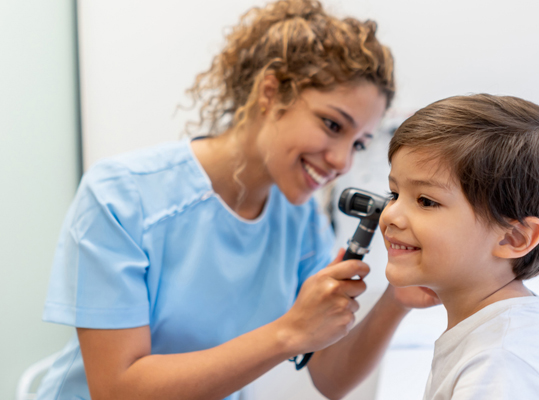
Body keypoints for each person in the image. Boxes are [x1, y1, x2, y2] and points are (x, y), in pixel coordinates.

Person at [37, 1, 439, 399]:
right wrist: (288, 332)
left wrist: (395, 301)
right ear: (271, 92)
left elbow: (330, 378)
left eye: (359, 143)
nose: (341, 160)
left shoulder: (299, 221)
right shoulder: (121, 196)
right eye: (332, 125)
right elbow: (116, 390)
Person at [379, 94, 539, 399]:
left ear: (513, 238)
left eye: (426, 201)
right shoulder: (487, 334)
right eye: (394, 194)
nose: (390, 215)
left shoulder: (500, 366)